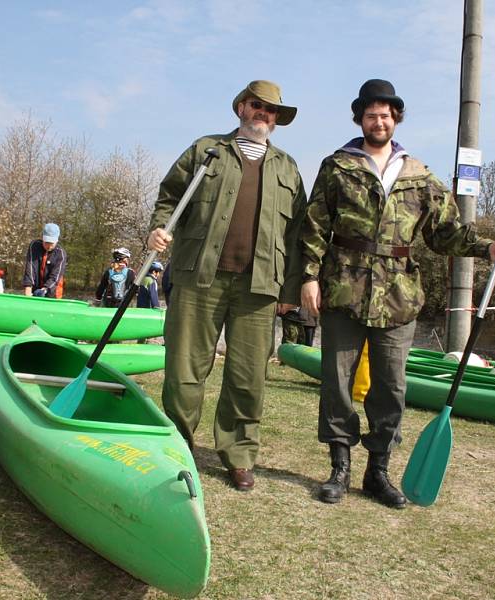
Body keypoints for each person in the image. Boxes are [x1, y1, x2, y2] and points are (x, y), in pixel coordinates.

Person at [300, 79, 495, 508]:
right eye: (370, 114)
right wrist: (307, 278)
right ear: (360, 118)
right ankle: (338, 468)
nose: (378, 121)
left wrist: (485, 247)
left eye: (386, 114)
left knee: (391, 387)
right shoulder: (337, 166)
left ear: (395, 119)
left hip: (399, 297)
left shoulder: (418, 174)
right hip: (343, 288)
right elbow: (315, 227)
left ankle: (378, 470)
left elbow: (445, 232)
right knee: (337, 384)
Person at [147, 80, 307, 492]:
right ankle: (176, 445)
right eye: (257, 106)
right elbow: (169, 198)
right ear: (240, 107)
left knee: (248, 375)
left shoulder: (288, 168)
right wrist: (156, 231)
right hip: (198, 277)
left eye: (271, 111)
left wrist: (290, 291)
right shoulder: (206, 150)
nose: (263, 115)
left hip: (259, 287)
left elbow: (297, 236)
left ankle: (238, 455)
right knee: (184, 368)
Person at [22, 223, 67, 298]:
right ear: (42, 238)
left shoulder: (61, 254)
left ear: (56, 241)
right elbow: (30, 268)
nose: (49, 246)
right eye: (46, 242)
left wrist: (45, 289)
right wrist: (28, 287)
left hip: (53, 292)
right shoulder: (34, 246)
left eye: (51, 243)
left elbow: (55, 277)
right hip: (35, 288)